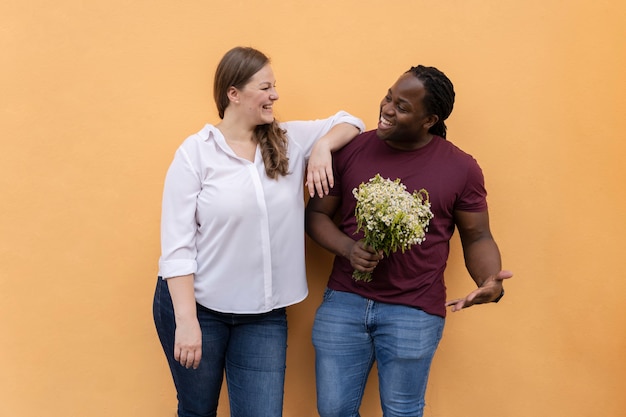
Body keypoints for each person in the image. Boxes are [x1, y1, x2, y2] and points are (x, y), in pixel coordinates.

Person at [152, 46, 364, 417]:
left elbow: (351, 121)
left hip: (263, 314)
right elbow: (177, 249)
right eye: (265, 88)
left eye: (274, 86)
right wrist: (186, 323)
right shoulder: (195, 154)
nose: (275, 96)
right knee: (197, 410)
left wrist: (322, 148)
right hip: (199, 307)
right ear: (233, 94)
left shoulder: (289, 139)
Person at [305, 65, 513, 417]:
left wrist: (488, 281)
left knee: (402, 411)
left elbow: (477, 236)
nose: (387, 109)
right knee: (333, 411)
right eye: (388, 97)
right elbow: (316, 215)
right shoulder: (352, 149)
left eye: (402, 107)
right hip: (344, 303)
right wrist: (349, 249)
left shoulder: (461, 168)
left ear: (429, 119)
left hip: (414, 311)